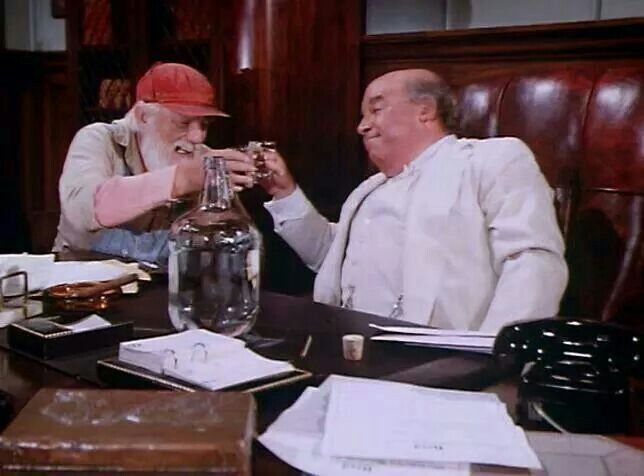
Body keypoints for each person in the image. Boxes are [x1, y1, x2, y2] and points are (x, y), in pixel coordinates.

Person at [236, 69, 568, 332]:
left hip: (444, 361)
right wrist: (284, 192)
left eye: (376, 110)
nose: (362, 126)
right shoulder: (369, 189)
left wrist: (493, 352)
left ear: (425, 110)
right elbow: (330, 257)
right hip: (345, 347)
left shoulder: (490, 160)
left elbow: (532, 261)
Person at [52, 62, 254, 262]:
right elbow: (83, 211)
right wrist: (180, 180)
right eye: (183, 123)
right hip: (82, 276)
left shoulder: (203, 158)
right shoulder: (99, 138)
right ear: (143, 117)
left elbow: (230, 241)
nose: (198, 137)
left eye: (204, 125)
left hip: (161, 279)